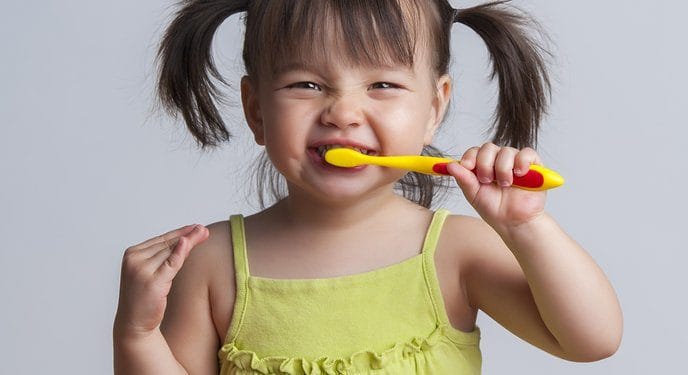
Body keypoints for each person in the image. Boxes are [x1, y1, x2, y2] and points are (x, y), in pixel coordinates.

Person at [113, 0, 623, 374]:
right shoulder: (210, 263)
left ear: (434, 108)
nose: (343, 113)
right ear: (255, 110)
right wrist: (136, 334)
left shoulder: (454, 252)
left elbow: (591, 340)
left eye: (383, 85)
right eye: (305, 84)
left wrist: (527, 226)